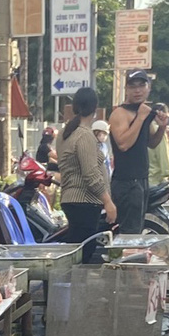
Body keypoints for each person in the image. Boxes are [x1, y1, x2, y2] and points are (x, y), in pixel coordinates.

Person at [107, 68, 167, 233]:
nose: (138, 90)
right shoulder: (120, 113)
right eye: (133, 86)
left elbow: (151, 143)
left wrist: (162, 128)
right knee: (129, 233)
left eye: (142, 85)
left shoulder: (145, 113)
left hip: (142, 180)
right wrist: (140, 118)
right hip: (126, 182)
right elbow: (123, 144)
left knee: (137, 230)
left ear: (148, 88)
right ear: (126, 89)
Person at [54, 85, 117, 241]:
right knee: (84, 254)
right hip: (85, 201)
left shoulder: (64, 133)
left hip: (69, 199)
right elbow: (90, 174)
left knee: (76, 249)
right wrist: (108, 202)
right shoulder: (84, 135)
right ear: (94, 108)